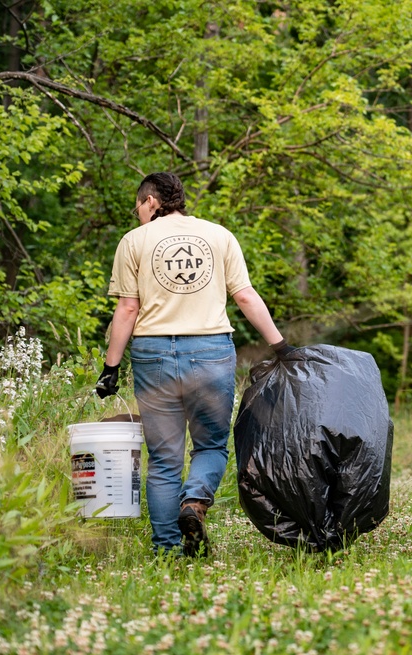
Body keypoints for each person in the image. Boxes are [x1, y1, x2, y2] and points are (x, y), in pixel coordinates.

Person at [95, 172, 295, 557]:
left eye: (137, 206)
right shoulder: (220, 235)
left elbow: (128, 309)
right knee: (211, 446)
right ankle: (195, 501)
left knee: (164, 461)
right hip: (210, 351)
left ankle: (167, 549)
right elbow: (246, 296)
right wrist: (280, 346)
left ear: (151, 202)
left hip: (153, 355)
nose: (137, 213)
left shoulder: (133, 242)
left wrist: (111, 367)